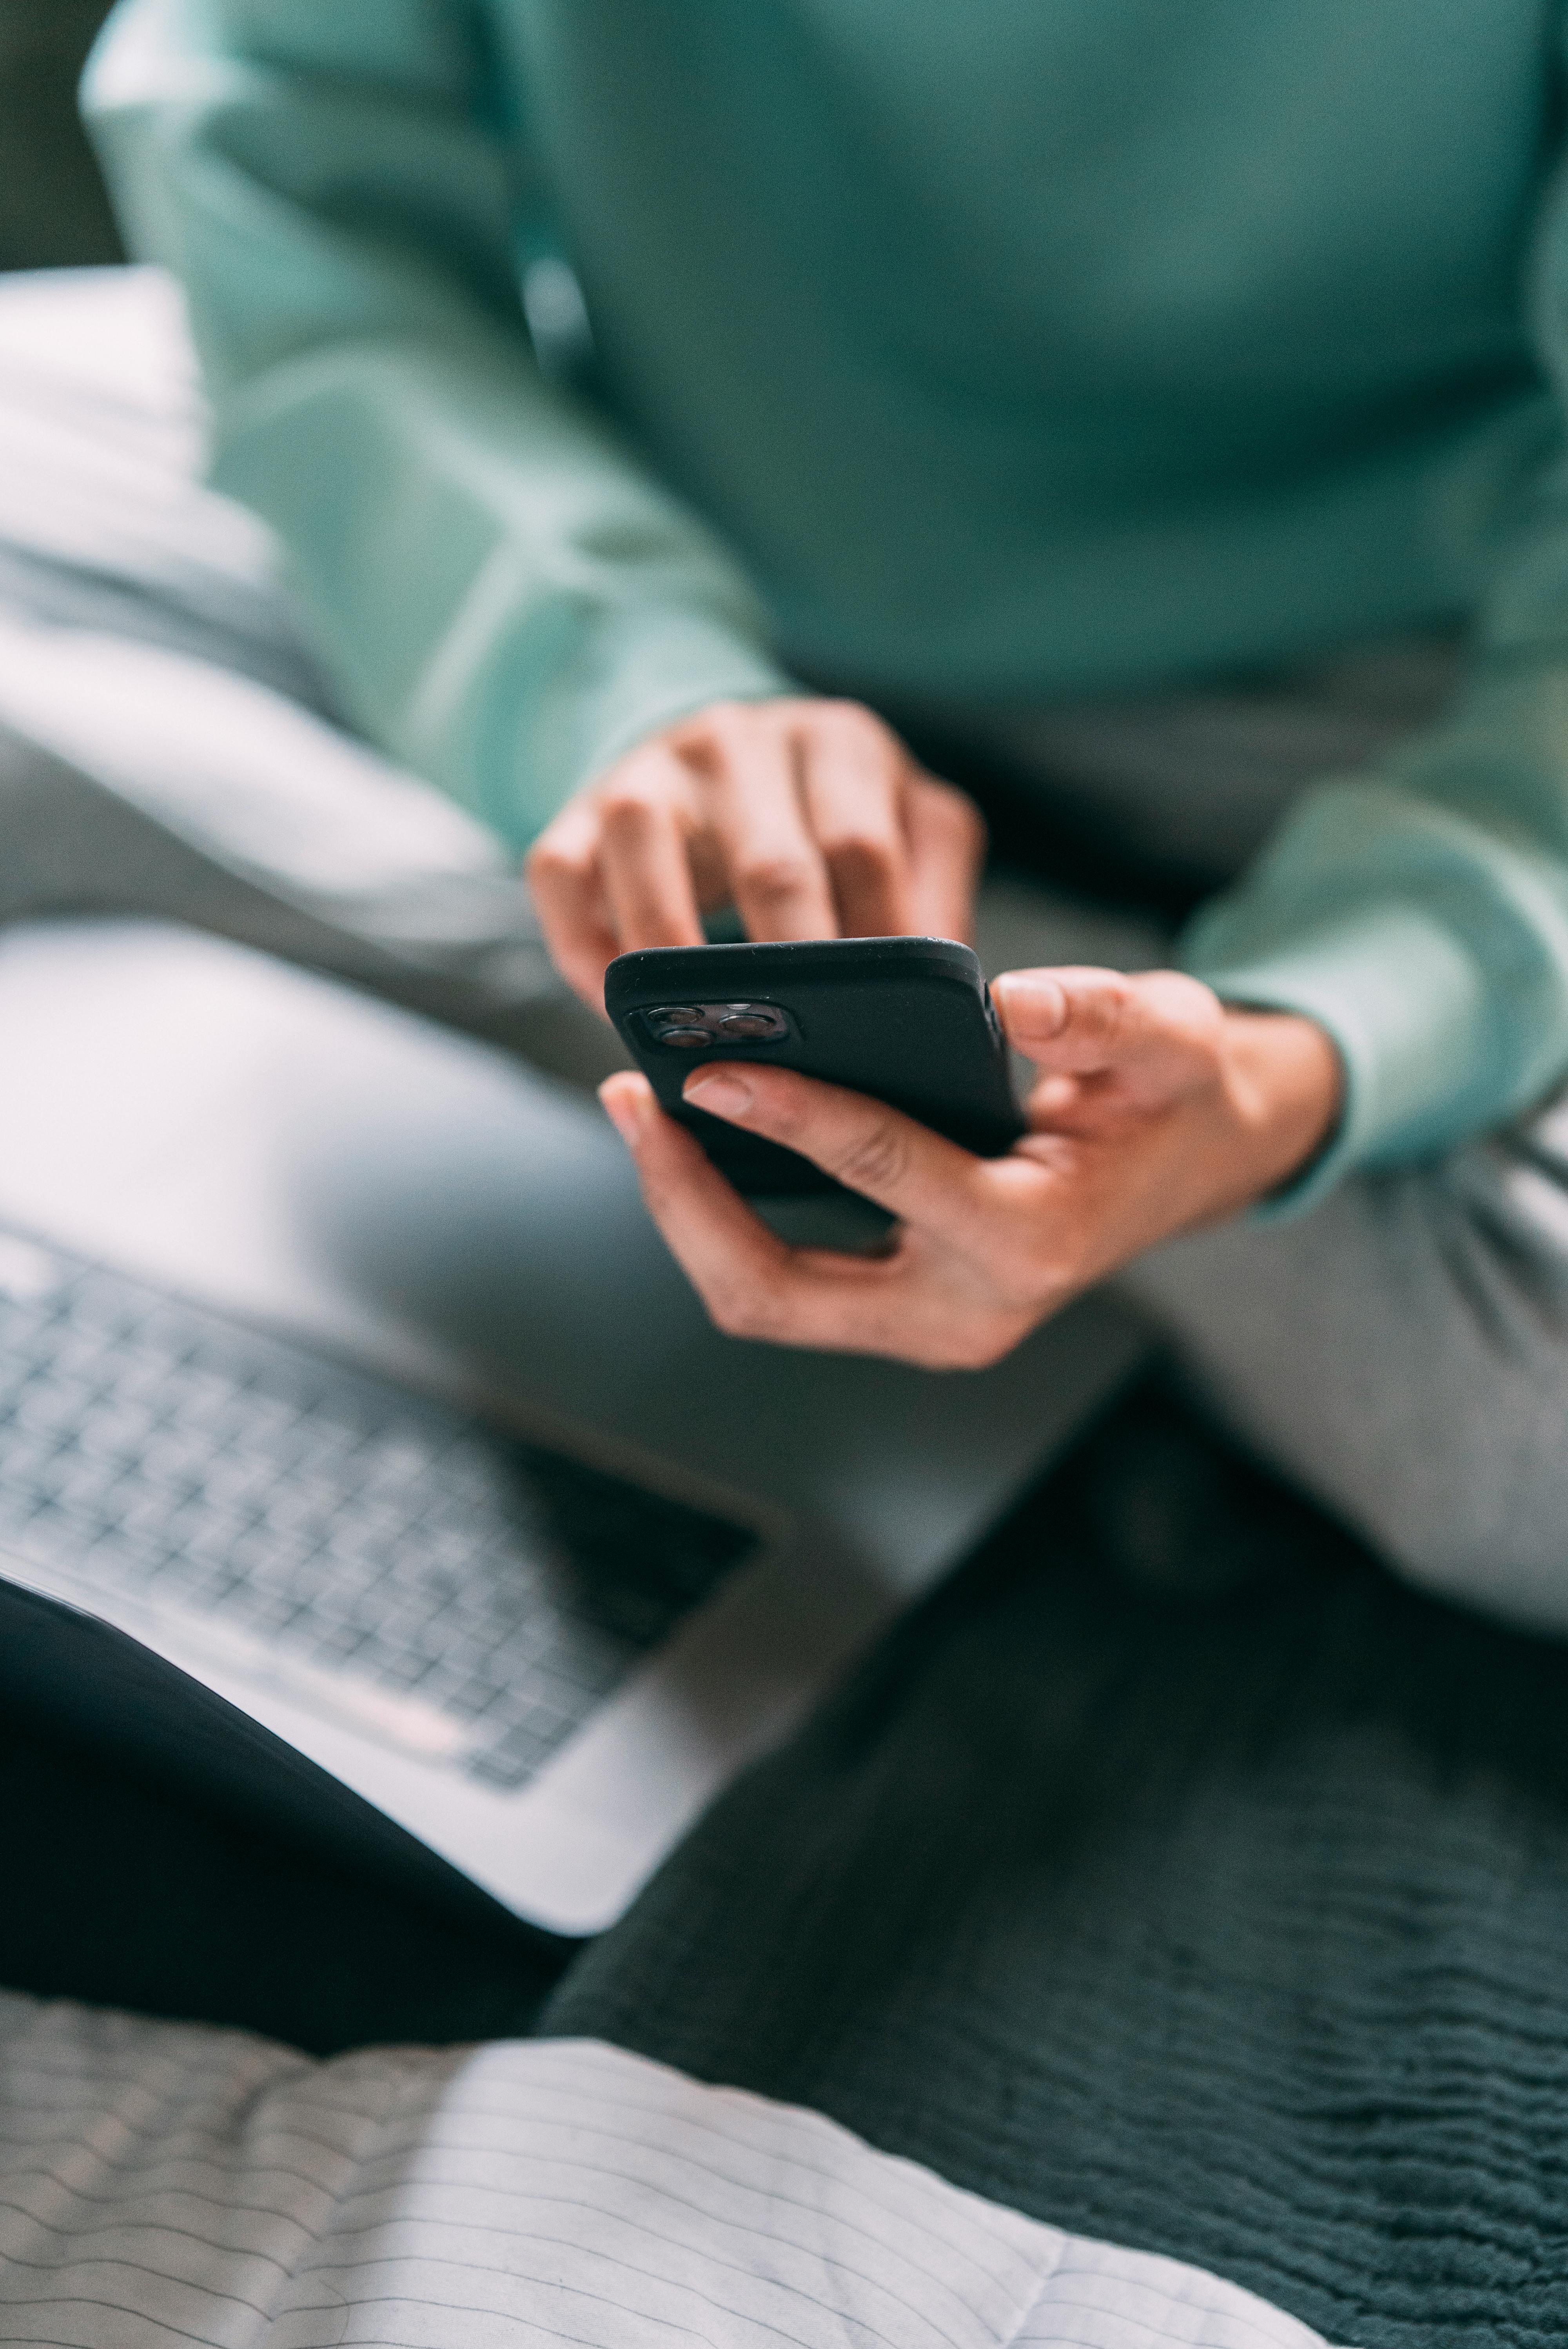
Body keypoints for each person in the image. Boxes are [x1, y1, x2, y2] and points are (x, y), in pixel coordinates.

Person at [79, 1, 1568, 1628]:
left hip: (1395, 678)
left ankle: (762, 1010)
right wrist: (618, 684)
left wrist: (1305, 1054)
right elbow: (265, 139)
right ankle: (945, 1066)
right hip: (628, 530)